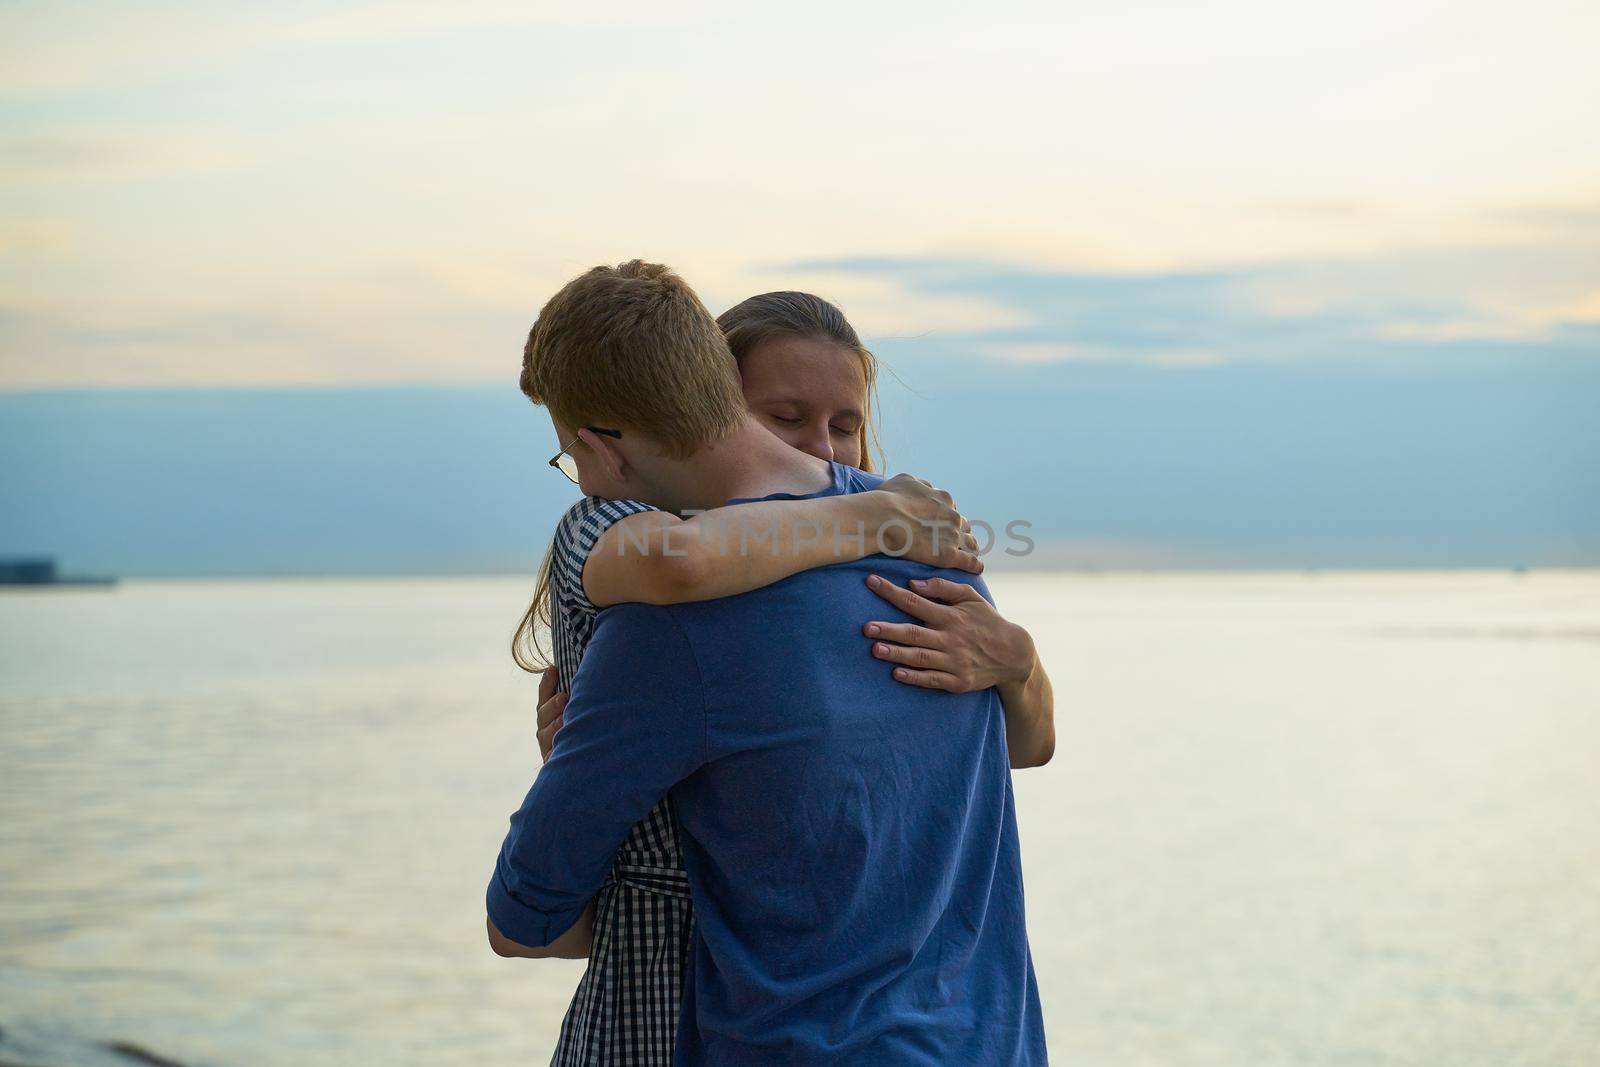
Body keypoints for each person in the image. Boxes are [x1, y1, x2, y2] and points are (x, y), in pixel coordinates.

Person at [488, 260, 1048, 1064]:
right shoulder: (928, 537)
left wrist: (573, 770)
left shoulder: (673, 623)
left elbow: (523, 919)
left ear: (602, 451)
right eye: (785, 412)